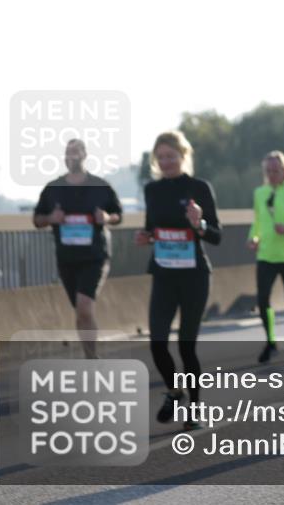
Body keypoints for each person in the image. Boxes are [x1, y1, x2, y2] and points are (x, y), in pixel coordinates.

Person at [134, 131, 221, 431]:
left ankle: (194, 409)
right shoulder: (152, 190)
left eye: (171, 156)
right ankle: (174, 391)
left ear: (184, 156)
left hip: (194, 276)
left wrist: (199, 223)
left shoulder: (199, 188)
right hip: (163, 274)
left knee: (186, 346)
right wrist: (145, 237)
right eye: (160, 157)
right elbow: (151, 228)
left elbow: (216, 236)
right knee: (157, 343)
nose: (166, 162)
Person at [32, 139, 123, 359]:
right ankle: (89, 355)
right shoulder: (53, 188)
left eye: (75, 152)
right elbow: (37, 219)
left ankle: (92, 359)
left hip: (95, 256)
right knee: (81, 311)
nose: (71, 156)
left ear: (84, 155)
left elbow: (118, 215)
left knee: (84, 306)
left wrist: (107, 217)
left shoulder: (100, 186)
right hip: (67, 259)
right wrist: (51, 218)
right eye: (67, 153)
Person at [247, 151, 284, 363]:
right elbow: (257, 220)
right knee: (262, 300)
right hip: (266, 255)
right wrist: (252, 237)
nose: (272, 175)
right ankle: (271, 342)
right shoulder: (260, 193)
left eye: (275, 170)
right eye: (268, 171)